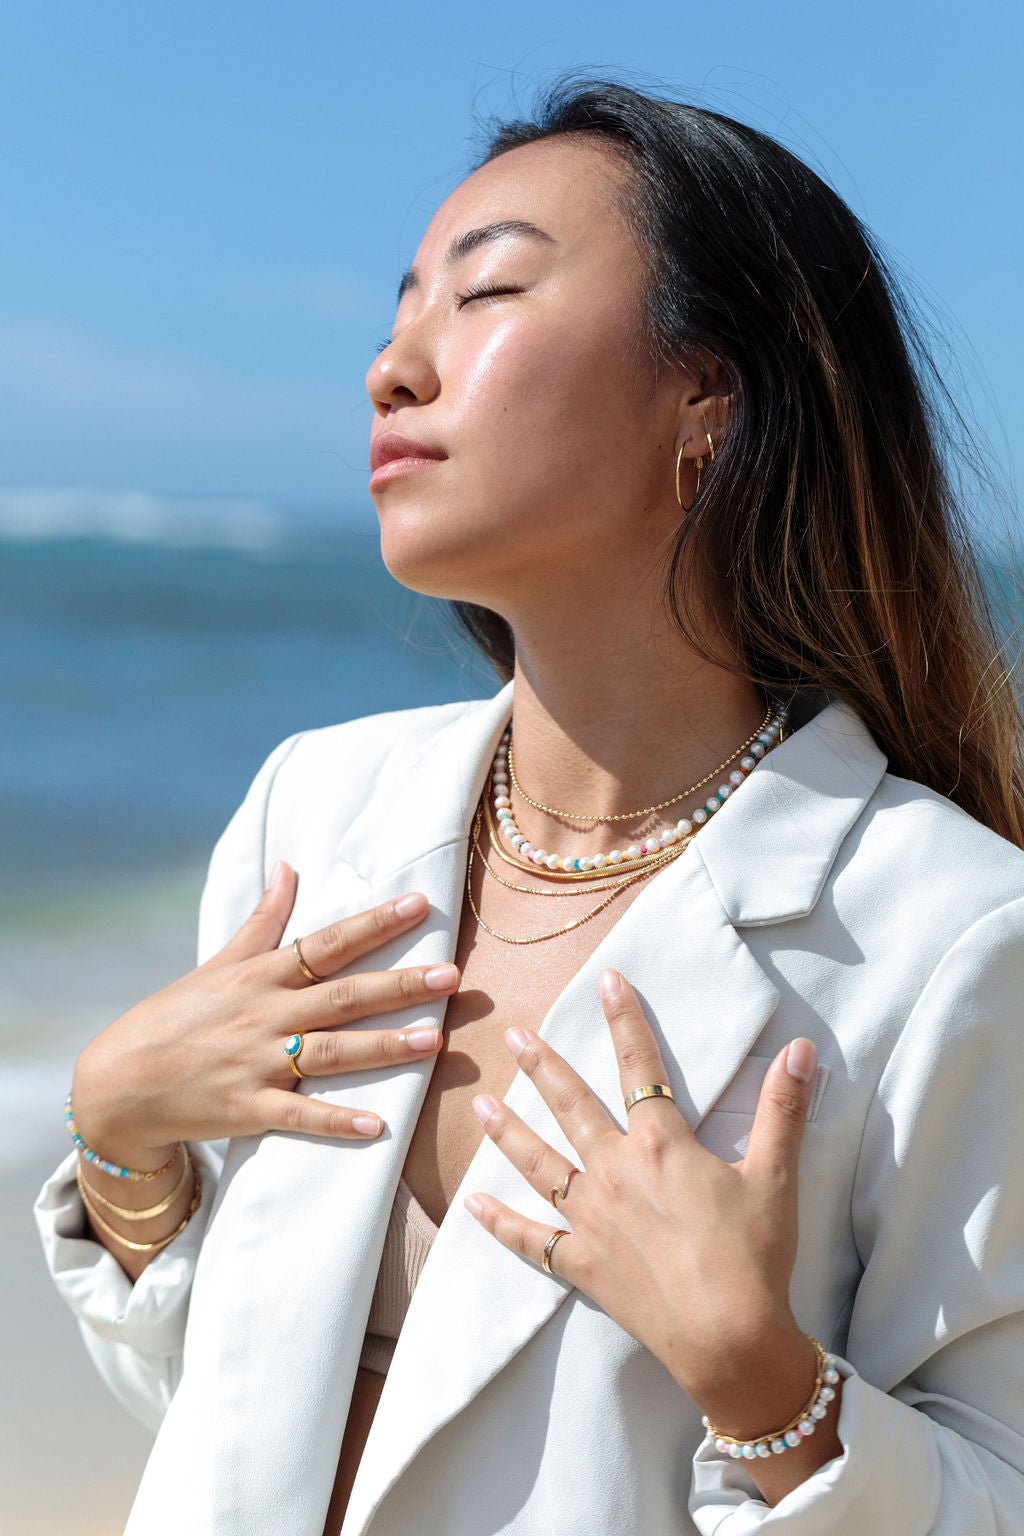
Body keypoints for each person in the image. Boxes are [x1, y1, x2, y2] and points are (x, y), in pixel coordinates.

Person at [34, 75, 1024, 1536]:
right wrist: (124, 1149)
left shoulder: (952, 932)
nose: (392, 369)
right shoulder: (313, 811)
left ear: (708, 399)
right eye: (397, 314)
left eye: (484, 294)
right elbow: (224, 1418)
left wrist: (764, 1385)